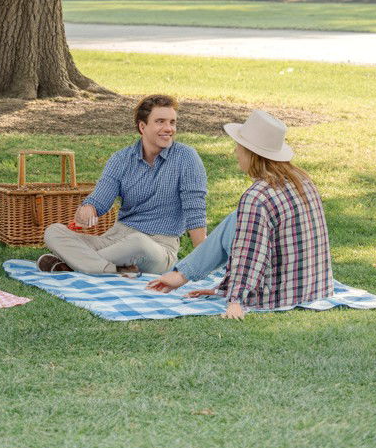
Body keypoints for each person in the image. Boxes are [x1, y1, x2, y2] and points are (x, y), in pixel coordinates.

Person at [146, 109, 333, 319]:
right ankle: (182, 274)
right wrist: (222, 288)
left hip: (277, 295)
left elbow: (251, 254)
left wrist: (235, 299)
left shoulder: (257, 197)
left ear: (251, 153)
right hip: (311, 286)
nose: (235, 151)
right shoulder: (301, 180)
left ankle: (182, 274)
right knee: (238, 218)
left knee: (244, 217)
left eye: (239, 146)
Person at [37, 94, 207, 276]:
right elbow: (99, 200)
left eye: (172, 122)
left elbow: (195, 213)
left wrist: (205, 261)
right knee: (53, 232)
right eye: (160, 121)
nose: (169, 129)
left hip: (156, 248)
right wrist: (87, 208)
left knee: (138, 243)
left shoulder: (187, 158)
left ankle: (74, 264)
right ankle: (110, 269)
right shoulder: (121, 159)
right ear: (142, 126)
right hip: (115, 240)